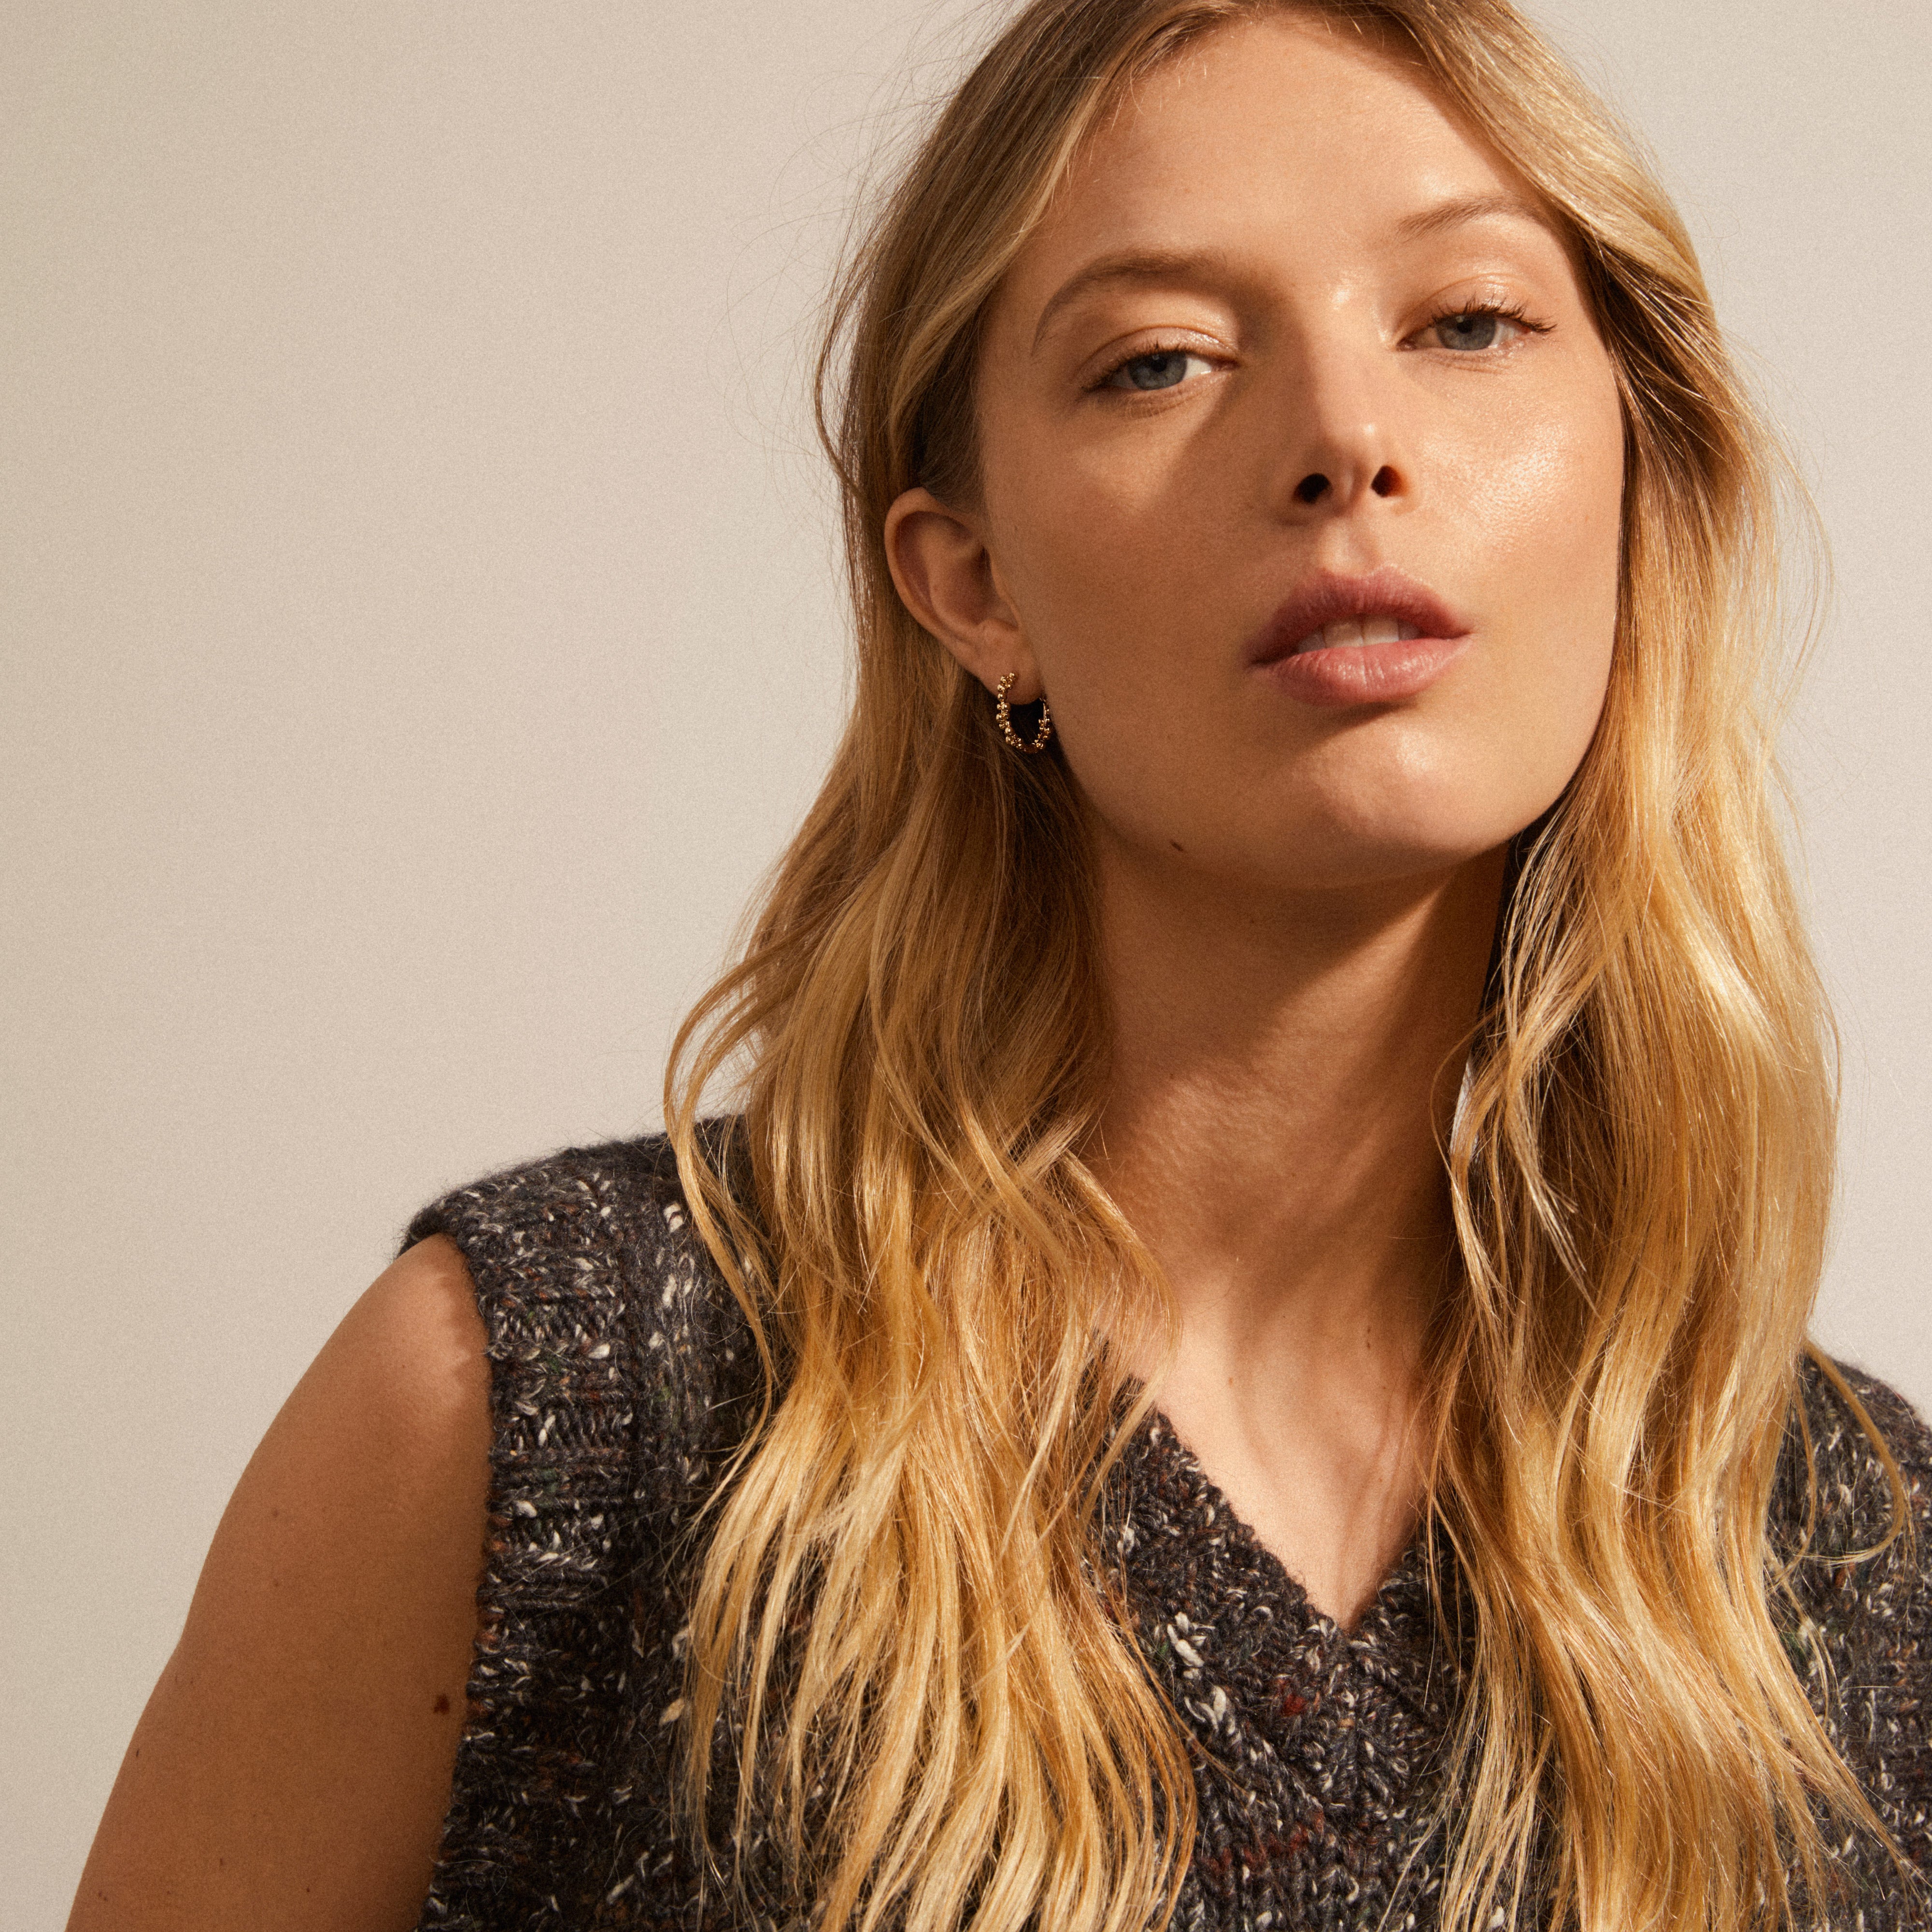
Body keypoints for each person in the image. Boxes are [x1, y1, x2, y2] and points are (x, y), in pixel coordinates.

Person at [65, 1, 1932, 1928]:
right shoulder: (559, 1402)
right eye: (1159, 359)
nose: (1347, 439)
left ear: (1642, 473)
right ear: (971, 588)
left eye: (1464, 323)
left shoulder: (1863, 1571)